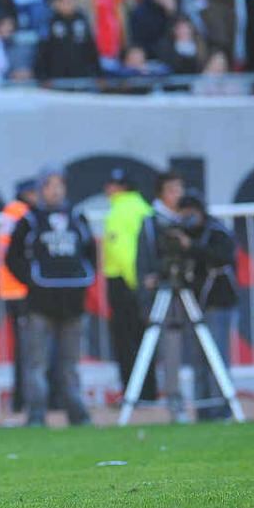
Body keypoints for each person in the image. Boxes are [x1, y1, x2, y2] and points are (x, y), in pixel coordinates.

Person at [4, 167, 94, 427]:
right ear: (41, 190)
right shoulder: (29, 221)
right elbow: (12, 257)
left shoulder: (78, 218)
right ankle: (36, 415)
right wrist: (32, 280)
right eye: (49, 185)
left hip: (73, 302)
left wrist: (81, 281)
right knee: (37, 363)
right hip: (40, 303)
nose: (55, 190)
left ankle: (78, 415)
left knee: (70, 364)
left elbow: (90, 253)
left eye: (59, 185)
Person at [176, 193, 238, 422]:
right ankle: (203, 412)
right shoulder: (183, 233)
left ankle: (222, 410)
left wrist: (191, 246)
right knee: (197, 360)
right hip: (194, 302)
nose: (186, 217)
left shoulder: (217, 232)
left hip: (217, 302)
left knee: (217, 358)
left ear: (200, 210)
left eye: (190, 211)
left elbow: (222, 257)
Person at [135, 171, 190, 422]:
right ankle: (174, 400)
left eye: (180, 189)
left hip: (190, 289)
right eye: (172, 190)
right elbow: (143, 261)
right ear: (160, 193)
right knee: (170, 346)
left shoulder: (190, 219)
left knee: (199, 347)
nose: (177, 195)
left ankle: (210, 403)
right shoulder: (150, 223)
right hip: (163, 293)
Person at [102, 168, 155, 402]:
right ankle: (148, 391)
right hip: (146, 281)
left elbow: (123, 252)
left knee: (126, 341)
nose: (108, 189)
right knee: (146, 339)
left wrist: (135, 285)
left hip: (125, 283)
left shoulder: (119, 210)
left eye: (112, 184)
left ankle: (134, 395)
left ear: (122, 187)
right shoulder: (144, 207)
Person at [0, 179, 34, 412]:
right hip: (21, 289)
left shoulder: (11, 212)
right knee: (28, 349)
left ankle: (22, 399)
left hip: (12, 288)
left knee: (25, 349)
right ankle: (25, 400)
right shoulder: (22, 214)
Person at [34, 0, 101, 81]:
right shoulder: (50, 22)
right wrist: (43, 76)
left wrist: (99, 74)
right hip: (57, 76)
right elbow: (42, 51)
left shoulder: (81, 20)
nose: (68, 5)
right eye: (63, 2)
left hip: (81, 75)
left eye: (70, 1)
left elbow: (91, 48)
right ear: (56, 3)